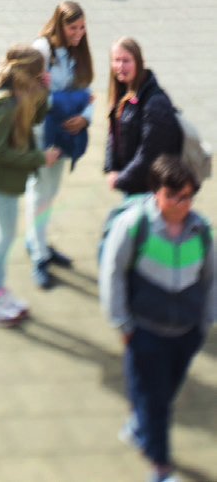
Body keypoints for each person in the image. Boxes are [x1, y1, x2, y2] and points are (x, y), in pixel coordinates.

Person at [100, 154, 214, 482]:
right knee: (157, 402)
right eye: (173, 196)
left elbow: (211, 277)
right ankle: (160, 467)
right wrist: (122, 324)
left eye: (188, 196)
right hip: (146, 331)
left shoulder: (200, 229)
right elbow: (113, 273)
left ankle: (138, 428)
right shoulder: (134, 226)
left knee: (165, 390)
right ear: (156, 193)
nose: (181, 204)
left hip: (187, 331)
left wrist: (205, 322)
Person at [0, 45, 59, 326]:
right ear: (27, 75)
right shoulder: (5, 103)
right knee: (2, 237)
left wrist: (43, 92)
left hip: (11, 179)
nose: (44, 74)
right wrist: (39, 158)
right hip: (4, 180)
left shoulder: (20, 94)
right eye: (40, 71)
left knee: (3, 234)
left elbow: (36, 117)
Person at [25, 1, 95, 287]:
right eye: (72, 27)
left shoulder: (76, 51)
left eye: (81, 27)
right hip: (44, 137)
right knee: (40, 193)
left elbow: (86, 93)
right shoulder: (42, 51)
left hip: (63, 134)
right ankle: (39, 254)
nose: (78, 33)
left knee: (49, 193)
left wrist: (85, 118)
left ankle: (37, 242)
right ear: (59, 24)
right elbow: (34, 98)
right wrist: (71, 103)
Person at [105, 38, 183, 197]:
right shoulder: (122, 92)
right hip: (131, 183)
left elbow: (151, 152)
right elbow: (113, 133)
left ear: (139, 62)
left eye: (126, 61)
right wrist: (111, 168)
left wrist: (121, 179)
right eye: (116, 60)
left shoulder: (154, 102)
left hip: (150, 190)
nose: (120, 66)